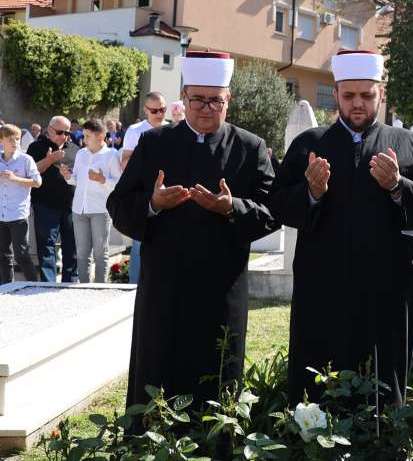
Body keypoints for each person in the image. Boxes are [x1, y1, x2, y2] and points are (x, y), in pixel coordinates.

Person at [268, 50, 413, 407]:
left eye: (367, 94)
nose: (358, 104)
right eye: (349, 95)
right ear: (335, 95)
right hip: (323, 289)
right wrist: (312, 194)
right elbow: (277, 206)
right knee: (318, 383)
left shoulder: (409, 145)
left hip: (386, 290)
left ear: (381, 92)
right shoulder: (309, 145)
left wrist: (398, 187)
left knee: (382, 382)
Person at [107, 51, 276, 414]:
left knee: (217, 379)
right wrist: (153, 203)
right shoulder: (154, 144)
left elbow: (273, 211)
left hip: (221, 289)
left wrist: (231, 207)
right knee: (158, 377)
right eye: (198, 99)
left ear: (228, 101)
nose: (207, 108)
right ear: (183, 99)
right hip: (164, 290)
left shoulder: (250, 148)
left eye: (216, 100)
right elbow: (118, 205)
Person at [60, 119, 121, 283]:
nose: (84, 139)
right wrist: (67, 176)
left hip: (100, 210)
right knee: (81, 253)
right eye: (84, 135)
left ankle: (101, 289)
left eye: (87, 136)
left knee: (101, 253)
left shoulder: (112, 155)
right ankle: (84, 288)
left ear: (101, 135)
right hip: (79, 209)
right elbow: (76, 180)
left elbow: (119, 185)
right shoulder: (81, 154)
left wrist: (102, 179)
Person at [120, 92, 168, 284]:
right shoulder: (135, 130)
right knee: (140, 243)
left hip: (169, 192)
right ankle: (135, 287)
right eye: (155, 110)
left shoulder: (174, 128)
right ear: (145, 110)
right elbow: (124, 162)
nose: (160, 114)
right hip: (143, 193)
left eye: (163, 109)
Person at [27, 116, 78, 282]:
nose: (64, 136)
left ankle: (69, 282)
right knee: (46, 246)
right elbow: (31, 172)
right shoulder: (36, 147)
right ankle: (48, 283)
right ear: (49, 130)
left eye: (67, 132)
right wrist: (49, 160)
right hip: (45, 204)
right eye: (60, 132)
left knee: (71, 246)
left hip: (70, 205)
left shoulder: (75, 149)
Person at [0, 124, 42, 283]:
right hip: (1, 214)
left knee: (21, 255)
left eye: (17, 139)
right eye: (10, 139)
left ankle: (33, 285)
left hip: (18, 214)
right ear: (1, 141)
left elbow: (37, 182)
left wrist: (14, 178)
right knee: (2, 255)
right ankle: (5, 288)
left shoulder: (26, 159)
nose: (15, 142)